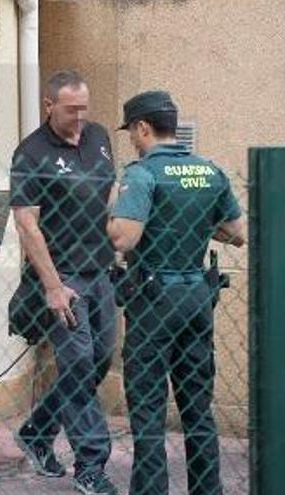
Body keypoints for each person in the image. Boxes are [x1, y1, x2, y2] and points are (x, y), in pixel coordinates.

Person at [107, 90, 245, 495]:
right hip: (197, 298)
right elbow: (236, 233)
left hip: (154, 303)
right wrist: (196, 223)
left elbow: (126, 238)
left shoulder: (140, 174)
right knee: (197, 408)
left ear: (143, 127)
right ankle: (207, 489)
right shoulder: (209, 171)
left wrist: (112, 209)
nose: (132, 139)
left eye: (132, 130)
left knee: (149, 410)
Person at [10, 69, 119, 495]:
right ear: (49, 105)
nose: (80, 117)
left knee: (98, 361)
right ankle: (91, 465)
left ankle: (37, 433)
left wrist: (121, 243)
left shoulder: (99, 138)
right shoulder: (30, 153)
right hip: (64, 277)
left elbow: (110, 194)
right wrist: (53, 286)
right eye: (71, 110)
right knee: (76, 364)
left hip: (102, 271)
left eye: (84, 109)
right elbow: (26, 224)